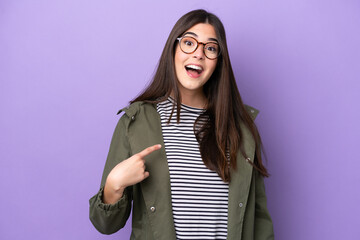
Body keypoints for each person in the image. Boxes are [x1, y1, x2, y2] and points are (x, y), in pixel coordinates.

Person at [89, 9, 274, 240]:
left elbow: (260, 222)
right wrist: (114, 185)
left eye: (210, 48)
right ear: (173, 50)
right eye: (189, 43)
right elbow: (105, 224)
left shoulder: (241, 128)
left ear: (219, 61)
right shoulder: (136, 122)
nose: (198, 54)